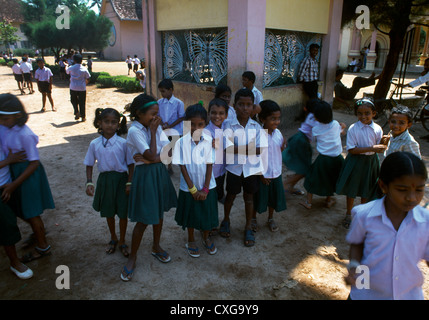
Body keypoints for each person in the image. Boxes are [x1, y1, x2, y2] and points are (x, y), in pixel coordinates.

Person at [345, 151, 429, 300]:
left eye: (419, 190)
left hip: (408, 295)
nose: (412, 198)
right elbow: (357, 243)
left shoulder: (425, 221)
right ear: (383, 186)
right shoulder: (364, 215)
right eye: (402, 190)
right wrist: (355, 269)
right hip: (367, 295)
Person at [120, 94, 177, 281]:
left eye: (157, 114)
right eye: (153, 114)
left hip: (158, 172)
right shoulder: (135, 131)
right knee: (144, 218)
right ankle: (133, 257)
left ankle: (156, 246)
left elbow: (165, 152)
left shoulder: (155, 126)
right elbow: (153, 154)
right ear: (139, 113)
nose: (156, 118)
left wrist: (150, 158)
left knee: (159, 212)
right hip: (145, 176)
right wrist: (153, 137)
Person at [0, 94, 55, 263]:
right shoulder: (7, 127)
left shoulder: (25, 134)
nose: (1, 121)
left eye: (4, 118)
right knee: (24, 209)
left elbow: (34, 162)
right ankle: (38, 235)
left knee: (32, 213)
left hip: (27, 175)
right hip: (17, 173)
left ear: (17, 116)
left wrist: (13, 184)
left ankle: (43, 247)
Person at [84, 108, 134, 257]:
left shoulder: (123, 143)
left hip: (121, 180)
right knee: (109, 211)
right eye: (106, 122)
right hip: (105, 180)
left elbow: (131, 164)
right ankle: (113, 237)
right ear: (100, 123)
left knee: (123, 212)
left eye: (114, 122)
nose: (110, 125)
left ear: (118, 125)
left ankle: (123, 240)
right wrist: (89, 182)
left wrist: (129, 182)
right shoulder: (94, 144)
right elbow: (89, 163)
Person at [220, 88, 267, 247]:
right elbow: (227, 149)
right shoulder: (228, 125)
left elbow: (260, 150)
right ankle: (226, 220)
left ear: (253, 107)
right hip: (234, 169)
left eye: (248, 105)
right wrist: (249, 148)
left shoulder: (256, 127)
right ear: (234, 106)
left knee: (249, 198)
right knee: (230, 196)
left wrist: (239, 148)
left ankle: (248, 227)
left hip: (251, 169)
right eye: (241, 104)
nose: (245, 108)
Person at [173, 103, 218, 257]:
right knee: (191, 214)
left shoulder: (209, 139)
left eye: (200, 124)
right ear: (186, 123)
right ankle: (191, 239)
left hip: (208, 186)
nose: (196, 128)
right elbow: (183, 167)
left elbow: (210, 164)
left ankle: (206, 237)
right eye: (192, 124)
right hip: (188, 187)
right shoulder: (181, 142)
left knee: (206, 214)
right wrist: (193, 189)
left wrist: (205, 189)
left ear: (205, 124)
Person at [336, 99, 386, 229]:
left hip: (371, 162)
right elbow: (351, 149)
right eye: (360, 113)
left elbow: (379, 146)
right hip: (355, 161)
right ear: (356, 114)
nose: (363, 116)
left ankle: (362, 215)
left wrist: (383, 143)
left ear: (374, 113)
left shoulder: (377, 129)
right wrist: (372, 148)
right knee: (352, 189)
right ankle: (348, 214)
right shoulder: (353, 128)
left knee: (366, 189)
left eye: (367, 113)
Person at [300, 100, 346, 209]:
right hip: (337, 158)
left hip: (323, 159)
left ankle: (308, 202)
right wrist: (343, 126)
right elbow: (342, 131)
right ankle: (328, 200)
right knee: (331, 179)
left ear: (317, 117)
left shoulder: (316, 129)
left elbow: (315, 137)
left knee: (312, 179)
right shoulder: (335, 124)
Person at [0, 138, 33, 279]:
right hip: (3, 189)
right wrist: (8, 161)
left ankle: (38, 236)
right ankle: (14, 262)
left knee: (23, 211)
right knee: (7, 225)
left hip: (8, 184)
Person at [252, 100, 287, 233]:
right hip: (262, 174)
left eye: (278, 118)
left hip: (275, 172)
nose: (276, 122)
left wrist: (283, 147)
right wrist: (261, 174)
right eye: (273, 119)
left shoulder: (278, 133)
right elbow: (254, 157)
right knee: (258, 198)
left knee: (273, 197)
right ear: (262, 119)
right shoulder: (258, 135)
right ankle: (253, 218)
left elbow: (278, 150)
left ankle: (270, 218)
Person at [282, 98, 320, 195]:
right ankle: (284, 185)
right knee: (305, 170)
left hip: (300, 140)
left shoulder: (310, 116)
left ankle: (290, 186)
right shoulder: (314, 118)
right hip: (301, 142)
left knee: (303, 168)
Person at [157, 79, 185, 173]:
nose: (162, 94)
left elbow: (181, 117)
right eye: (161, 91)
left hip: (176, 130)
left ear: (171, 90)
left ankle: (181, 167)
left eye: (163, 91)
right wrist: (162, 124)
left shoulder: (178, 103)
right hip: (164, 129)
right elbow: (158, 115)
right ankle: (169, 166)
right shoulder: (159, 102)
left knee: (175, 148)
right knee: (166, 147)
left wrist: (170, 125)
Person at [205, 98, 229, 204]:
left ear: (226, 115)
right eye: (213, 113)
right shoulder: (206, 131)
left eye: (221, 113)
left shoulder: (227, 126)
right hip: (211, 168)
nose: (217, 116)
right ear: (208, 113)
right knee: (211, 185)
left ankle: (220, 195)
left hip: (222, 166)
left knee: (220, 181)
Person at [65, 54, 91, 122]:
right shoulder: (84, 69)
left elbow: (67, 71)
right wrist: (85, 84)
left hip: (73, 87)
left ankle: (76, 112)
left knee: (73, 101)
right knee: (82, 102)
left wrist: (66, 65)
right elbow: (88, 78)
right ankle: (83, 117)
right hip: (82, 88)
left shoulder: (71, 67)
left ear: (74, 60)